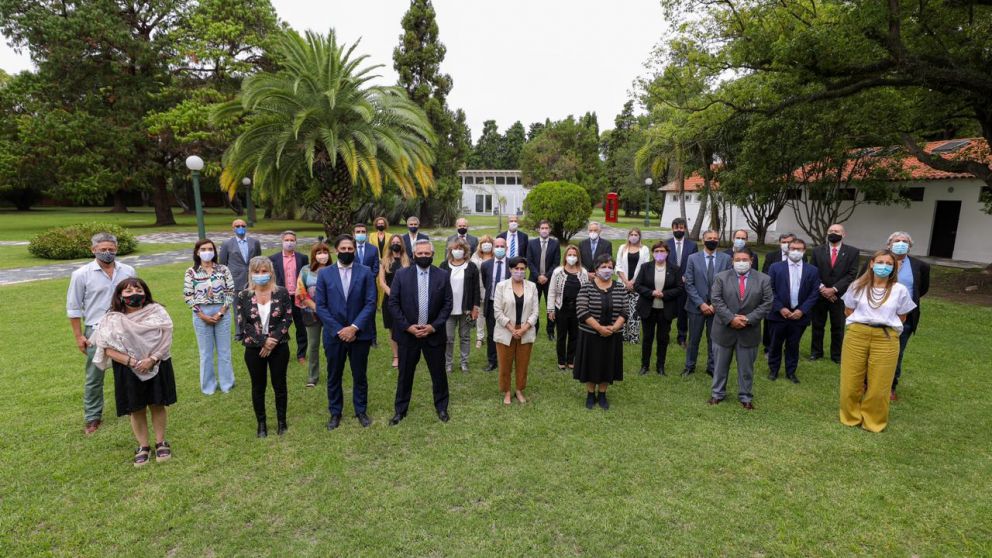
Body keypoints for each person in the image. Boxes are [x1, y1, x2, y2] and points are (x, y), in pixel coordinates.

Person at [90, 277, 176, 466]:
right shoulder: (111, 319)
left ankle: (161, 442)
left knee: (157, 404)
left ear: (145, 293)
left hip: (157, 363)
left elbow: (167, 337)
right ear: (120, 296)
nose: (134, 294)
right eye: (128, 292)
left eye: (138, 290)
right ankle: (143, 446)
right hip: (127, 368)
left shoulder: (158, 312)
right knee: (136, 408)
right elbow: (106, 348)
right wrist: (133, 362)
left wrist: (152, 359)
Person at [66, 232, 137, 435]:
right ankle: (92, 417)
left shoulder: (128, 270)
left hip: (125, 326)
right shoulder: (81, 274)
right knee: (94, 375)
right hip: (96, 329)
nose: (107, 253)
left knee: (129, 368)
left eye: (111, 249)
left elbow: (136, 297)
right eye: (103, 249)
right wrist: (79, 336)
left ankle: (133, 406)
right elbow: (73, 308)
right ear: (93, 250)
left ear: (116, 249)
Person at [839, 250, 916, 432]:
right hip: (857, 334)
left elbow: (902, 316)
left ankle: (873, 421)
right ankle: (850, 417)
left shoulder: (900, 290)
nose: (884, 266)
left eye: (889, 263)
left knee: (880, 382)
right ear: (872, 264)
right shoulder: (857, 286)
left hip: (886, 337)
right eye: (880, 262)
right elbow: (848, 310)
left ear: (894, 267)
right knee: (851, 379)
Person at [387, 239, 453, 425]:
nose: (423, 256)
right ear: (414, 255)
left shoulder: (442, 275)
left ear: (432, 255)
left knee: (438, 374)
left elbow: (448, 304)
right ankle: (400, 410)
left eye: (427, 253)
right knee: (405, 375)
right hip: (408, 335)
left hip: (434, 334)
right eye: (420, 253)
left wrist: (433, 326)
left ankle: (441, 407)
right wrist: (408, 327)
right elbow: (393, 303)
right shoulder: (401, 275)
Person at [316, 235, 378, 430]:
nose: (347, 252)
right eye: (343, 248)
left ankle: (361, 410)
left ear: (354, 250)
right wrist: (338, 329)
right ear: (336, 250)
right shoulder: (325, 274)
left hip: (359, 334)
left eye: (350, 248)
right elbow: (321, 306)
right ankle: (335, 412)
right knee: (334, 375)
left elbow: (370, 302)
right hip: (334, 336)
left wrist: (354, 327)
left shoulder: (366, 272)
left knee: (359, 374)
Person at [235, 257, 293, 438]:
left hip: (279, 346)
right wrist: (262, 341)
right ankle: (261, 423)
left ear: (271, 272)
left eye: (264, 271)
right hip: (254, 349)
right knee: (258, 386)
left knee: (279, 384)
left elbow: (288, 317)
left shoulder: (282, 292)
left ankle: (281, 421)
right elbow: (243, 323)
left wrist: (273, 340)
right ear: (251, 274)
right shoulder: (243, 296)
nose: (261, 275)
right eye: (257, 272)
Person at [708, 251, 773, 410]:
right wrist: (731, 319)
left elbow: (767, 303)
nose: (741, 262)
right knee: (720, 366)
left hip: (749, 331)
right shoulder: (721, 277)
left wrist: (748, 319)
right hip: (723, 329)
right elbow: (716, 300)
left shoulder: (764, 279)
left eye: (745, 259)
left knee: (746, 368)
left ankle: (745, 396)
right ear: (732, 261)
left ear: (751, 260)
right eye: (738, 259)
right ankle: (717, 393)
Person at [574, 254, 627, 410]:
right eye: (603, 267)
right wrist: (599, 328)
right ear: (596, 270)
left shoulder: (619, 287)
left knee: (607, 364)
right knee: (591, 364)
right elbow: (582, 311)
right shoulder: (586, 287)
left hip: (612, 334)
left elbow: (625, 310)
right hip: (590, 335)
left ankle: (602, 394)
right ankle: (590, 394)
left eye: (610, 267)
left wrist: (615, 327)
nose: (607, 270)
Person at [183, 239, 235, 395]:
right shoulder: (191, 272)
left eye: (210, 249)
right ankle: (208, 386)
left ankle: (227, 384)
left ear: (214, 251)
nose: (207, 252)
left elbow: (230, 291)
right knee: (206, 353)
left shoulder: (223, 269)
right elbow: (188, 295)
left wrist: (221, 312)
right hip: (201, 313)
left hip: (222, 311)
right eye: (203, 249)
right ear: (197, 252)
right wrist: (201, 315)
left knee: (224, 351)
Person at [766, 238, 820, 383]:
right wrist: (780, 308)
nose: (796, 251)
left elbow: (814, 292)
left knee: (793, 344)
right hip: (779, 314)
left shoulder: (812, 270)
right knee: (775, 344)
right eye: (793, 248)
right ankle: (773, 370)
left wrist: (802, 310)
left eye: (799, 249)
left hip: (799, 316)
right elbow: (769, 290)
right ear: (788, 249)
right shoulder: (775, 267)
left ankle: (791, 372)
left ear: (804, 251)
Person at [884, 231, 929, 401]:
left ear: (909, 246)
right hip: (877, 315)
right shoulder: (879, 261)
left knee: (897, 353)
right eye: (897, 240)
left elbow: (921, 289)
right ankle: (867, 382)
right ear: (889, 244)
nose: (901, 243)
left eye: (905, 241)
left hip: (905, 319)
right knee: (873, 351)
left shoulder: (920, 266)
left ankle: (890, 386)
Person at [682, 230, 732, 377]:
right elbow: (689, 283)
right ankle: (690, 366)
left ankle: (712, 367)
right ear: (703, 240)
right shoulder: (692, 258)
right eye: (709, 238)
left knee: (714, 339)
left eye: (715, 238)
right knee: (694, 339)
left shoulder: (726, 258)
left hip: (717, 307)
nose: (712, 240)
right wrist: (701, 304)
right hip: (696, 306)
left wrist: (714, 305)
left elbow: (728, 284)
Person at [809, 224, 859, 363]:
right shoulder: (817, 251)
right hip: (820, 295)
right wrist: (823, 289)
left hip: (840, 296)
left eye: (836, 231)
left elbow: (852, 274)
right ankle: (816, 352)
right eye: (830, 231)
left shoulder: (853, 252)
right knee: (818, 325)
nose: (833, 233)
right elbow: (812, 271)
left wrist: (834, 289)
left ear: (844, 234)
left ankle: (837, 355)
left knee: (838, 326)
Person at [493, 257, 539, 404]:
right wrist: (512, 329)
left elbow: (535, 312)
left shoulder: (532, 286)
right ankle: (506, 391)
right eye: (516, 269)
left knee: (523, 363)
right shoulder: (501, 286)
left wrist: (524, 328)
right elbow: (497, 311)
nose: (519, 272)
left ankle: (519, 389)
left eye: (522, 269)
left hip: (525, 331)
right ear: (510, 270)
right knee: (505, 363)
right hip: (506, 330)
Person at [634, 242, 684, 375]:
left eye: (662, 251)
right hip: (648, 308)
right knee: (647, 338)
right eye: (656, 251)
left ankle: (660, 367)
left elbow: (680, 288)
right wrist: (651, 293)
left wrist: (665, 294)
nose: (659, 253)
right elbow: (638, 285)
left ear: (667, 253)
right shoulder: (645, 267)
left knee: (663, 339)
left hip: (665, 309)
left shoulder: (675, 269)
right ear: (652, 253)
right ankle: (645, 366)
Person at [439, 239, 480, 374]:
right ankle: (448, 363)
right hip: (448, 309)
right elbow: (439, 288)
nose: (458, 251)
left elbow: (476, 289)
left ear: (465, 251)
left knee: (465, 337)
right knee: (448, 338)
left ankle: (464, 363)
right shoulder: (444, 266)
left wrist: (475, 307)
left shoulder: (471, 267)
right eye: (455, 248)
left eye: (461, 248)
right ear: (450, 250)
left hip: (466, 309)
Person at [268, 230, 309, 364]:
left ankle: (301, 354)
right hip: (281, 297)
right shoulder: (273, 259)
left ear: (296, 242)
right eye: (287, 240)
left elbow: (305, 276)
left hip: (298, 296)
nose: (289, 243)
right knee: (278, 325)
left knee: (301, 326)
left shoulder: (302, 258)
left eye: (292, 240)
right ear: (282, 241)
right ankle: (278, 351)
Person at [296, 242, 332, 387]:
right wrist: (316, 308)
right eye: (319, 252)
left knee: (330, 345)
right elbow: (301, 292)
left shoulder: (334, 269)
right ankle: (312, 376)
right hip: (311, 313)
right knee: (313, 344)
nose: (322, 255)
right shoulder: (305, 270)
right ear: (313, 254)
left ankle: (333, 373)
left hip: (331, 314)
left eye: (325, 251)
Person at [548, 245, 588, 370]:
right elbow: (552, 291)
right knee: (561, 335)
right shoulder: (558, 272)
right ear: (565, 256)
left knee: (574, 335)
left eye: (574, 255)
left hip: (577, 309)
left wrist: (585, 309)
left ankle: (571, 360)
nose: (572, 257)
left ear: (578, 257)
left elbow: (586, 291)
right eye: (569, 255)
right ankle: (561, 360)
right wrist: (551, 309)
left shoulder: (583, 272)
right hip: (561, 308)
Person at [762, 232, 799, 354]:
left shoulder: (800, 256)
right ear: (779, 243)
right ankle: (768, 348)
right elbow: (765, 274)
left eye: (789, 242)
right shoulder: (771, 256)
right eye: (784, 242)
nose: (786, 244)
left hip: (792, 295)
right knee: (770, 322)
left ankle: (787, 347)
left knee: (790, 324)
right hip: (774, 293)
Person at [378, 234, 410, 369]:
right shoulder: (384, 261)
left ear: (402, 244)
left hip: (406, 299)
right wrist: (393, 294)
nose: (396, 244)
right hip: (390, 299)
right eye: (394, 242)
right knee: (392, 328)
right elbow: (382, 282)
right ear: (390, 244)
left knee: (405, 327)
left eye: (398, 242)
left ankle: (406, 354)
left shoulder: (408, 260)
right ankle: (396, 356)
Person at [526, 220, 560, 341]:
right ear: (538, 230)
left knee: (550, 305)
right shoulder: (531, 243)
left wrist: (546, 276)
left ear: (550, 230)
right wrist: (538, 276)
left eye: (546, 228)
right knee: (533, 305)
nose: (544, 230)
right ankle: (534, 329)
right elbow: (529, 261)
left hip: (550, 280)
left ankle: (550, 331)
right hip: (534, 280)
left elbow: (556, 263)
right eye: (542, 228)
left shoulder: (555, 244)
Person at [480, 237, 510, 372]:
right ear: (493, 248)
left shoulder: (512, 264)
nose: (499, 249)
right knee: (491, 334)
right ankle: (492, 361)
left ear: (506, 248)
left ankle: (507, 359)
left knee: (508, 331)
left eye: (501, 246)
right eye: (496, 246)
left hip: (508, 304)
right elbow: (487, 283)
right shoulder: (486, 265)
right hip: (491, 303)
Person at [666, 218, 697, 346]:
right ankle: (664, 335)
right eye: (676, 228)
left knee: (683, 311)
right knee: (667, 311)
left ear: (685, 229)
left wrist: (686, 276)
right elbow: (662, 262)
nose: (679, 230)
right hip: (669, 283)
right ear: (672, 229)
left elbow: (695, 263)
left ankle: (682, 337)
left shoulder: (692, 245)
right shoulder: (666, 244)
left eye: (681, 228)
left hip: (685, 283)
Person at [616, 227, 649, 344]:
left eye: (636, 234)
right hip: (622, 284)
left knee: (634, 312)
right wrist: (626, 282)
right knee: (622, 310)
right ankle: (622, 335)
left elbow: (644, 267)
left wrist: (633, 282)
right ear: (628, 236)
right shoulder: (622, 248)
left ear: (639, 236)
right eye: (632, 234)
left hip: (637, 285)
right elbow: (618, 266)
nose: (633, 236)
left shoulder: (644, 249)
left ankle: (633, 337)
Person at [219, 218, 261, 291]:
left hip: (252, 278)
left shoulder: (255, 242)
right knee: (237, 301)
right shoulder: (227, 243)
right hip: (235, 279)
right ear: (233, 229)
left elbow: (258, 258)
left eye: (243, 226)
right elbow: (223, 263)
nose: (240, 228)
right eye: (237, 226)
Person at [471, 235, 495, 349]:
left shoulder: (496, 256)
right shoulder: (475, 256)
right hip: (479, 287)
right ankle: (480, 337)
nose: (486, 244)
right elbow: (472, 267)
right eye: (484, 242)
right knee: (480, 314)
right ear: (480, 245)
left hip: (493, 288)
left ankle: (494, 335)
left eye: (488, 242)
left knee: (493, 313)